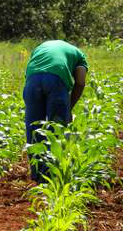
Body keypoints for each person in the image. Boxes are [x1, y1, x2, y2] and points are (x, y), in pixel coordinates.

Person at [23, 39, 89, 181]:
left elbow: (31, 69)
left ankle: (37, 174)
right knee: (57, 128)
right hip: (56, 81)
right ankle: (53, 175)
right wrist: (68, 108)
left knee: (34, 128)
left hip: (32, 80)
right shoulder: (79, 55)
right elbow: (81, 82)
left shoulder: (40, 47)